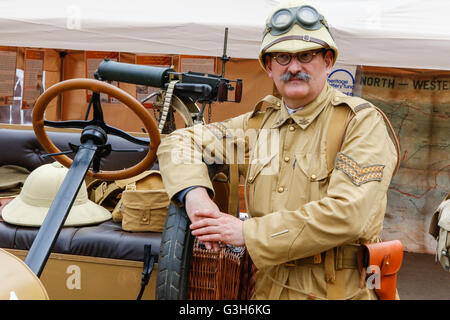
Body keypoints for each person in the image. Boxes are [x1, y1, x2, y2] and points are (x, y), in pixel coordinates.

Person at [157, 0, 398, 300]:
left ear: (328, 61)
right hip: (267, 292)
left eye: (306, 55)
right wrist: (196, 199)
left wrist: (247, 233)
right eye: (283, 57)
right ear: (269, 67)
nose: (294, 67)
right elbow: (178, 143)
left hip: (336, 292)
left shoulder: (359, 123)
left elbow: (349, 214)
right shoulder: (260, 128)